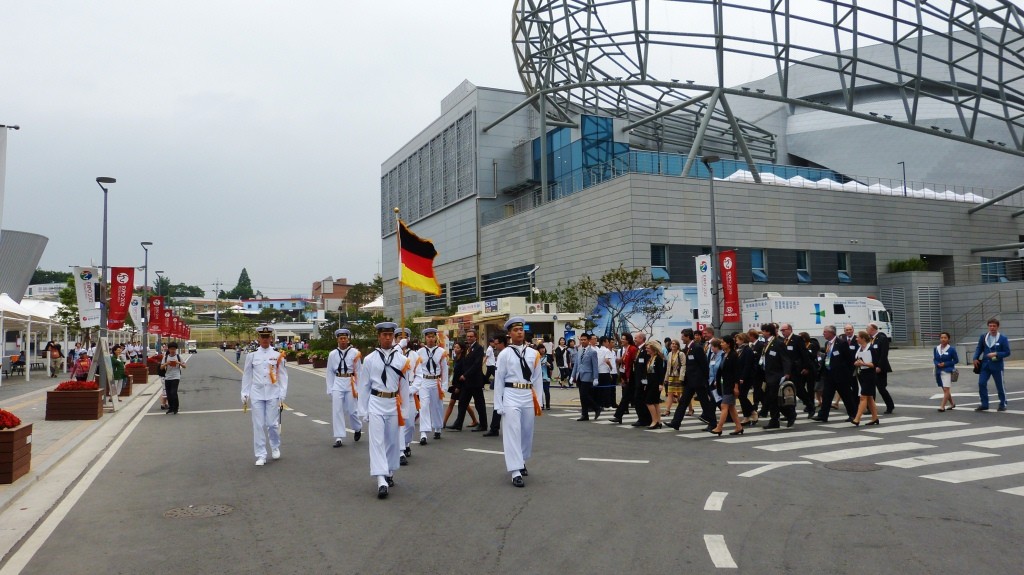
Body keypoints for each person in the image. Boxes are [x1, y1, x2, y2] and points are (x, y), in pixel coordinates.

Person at [357, 322, 411, 498]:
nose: (388, 338)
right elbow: (364, 386)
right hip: (376, 402)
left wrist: (404, 410)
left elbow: (404, 387)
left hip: (393, 403)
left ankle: (388, 471)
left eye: (390, 335)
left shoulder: (402, 359)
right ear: (379, 337)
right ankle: (381, 480)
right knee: (377, 441)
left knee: (393, 441)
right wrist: (363, 410)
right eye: (384, 335)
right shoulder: (370, 359)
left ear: (394, 337)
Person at [493, 317, 542, 488]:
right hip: (511, 394)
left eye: (521, 329)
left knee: (526, 432)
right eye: (515, 330)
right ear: (509, 334)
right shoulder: (505, 354)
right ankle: (515, 471)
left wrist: (539, 401)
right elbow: (498, 380)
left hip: (527, 394)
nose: (519, 332)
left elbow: (537, 379)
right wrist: (498, 404)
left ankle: (521, 460)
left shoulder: (533, 353)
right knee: (512, 431)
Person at [241, 325, 289, 466]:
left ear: (271, 338)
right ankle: (261, 454)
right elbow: (247, 375)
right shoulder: (252, 356)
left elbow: (283, 376)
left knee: (271, 424)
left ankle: (275, 446)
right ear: (258, 338)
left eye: (267, 337)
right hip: (257, 393)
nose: (265, 339)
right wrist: (244, 393)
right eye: (262, 337)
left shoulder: (277, 355)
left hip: (273, 393)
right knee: (258, 424)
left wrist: (282, 394)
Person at [325, 328, 363, 447]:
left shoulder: (355, 353)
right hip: (338, 381)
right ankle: (339, 437)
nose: (343, 341)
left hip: (350, 382)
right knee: (337, 410)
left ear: (348, 339)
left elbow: (359, 371)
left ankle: (357, 428)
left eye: (345, 338)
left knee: (352, 410)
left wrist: (359, 388)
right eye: (340, 338)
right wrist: (330, 388)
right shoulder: (333, 354)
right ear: (337, 339)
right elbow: (329, 372)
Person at [813, 325, 858, 422]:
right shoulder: (827, 344)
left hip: (841, 376)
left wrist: (848, 374)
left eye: (825, 332)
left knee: (847, 396)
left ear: (831, 333)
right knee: (827, 396)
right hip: (829, 374)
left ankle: (853, 415)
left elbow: (850, 360)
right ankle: (823, 415)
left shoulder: (842, 343)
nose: (823, 334)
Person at [413, 327, 448, 444]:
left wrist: (444, 385)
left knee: (437, 406)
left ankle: (437, 427)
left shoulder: (441, 352)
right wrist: (416, 385)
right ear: (425, 338)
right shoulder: (420, 352)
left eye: (432, 337)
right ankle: (423, 433)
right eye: (428, 337)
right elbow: (417, 369)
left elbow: (444, 370)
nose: (430, 339)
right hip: (424, 381)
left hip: (436, 381)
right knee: (423, 406)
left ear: (435, 338)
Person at [448, 329, 488, 432]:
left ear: (476, 337)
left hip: (475, 382)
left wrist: (465, 375)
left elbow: (477, 364)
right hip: (466, 383)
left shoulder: (478, 348)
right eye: (468, 336)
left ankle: (483, 425)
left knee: (479, 404)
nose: (469, 338)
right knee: (462, 402)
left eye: (471, 336)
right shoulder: (468, 348)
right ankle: (458, 424)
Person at [760, 323, 795, 429]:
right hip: (767, 374)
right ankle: (775, 420)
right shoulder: (766, 343)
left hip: (776, 375)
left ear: (768, 332)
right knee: (771, 399)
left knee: (776, 398)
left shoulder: (778, 343)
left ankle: (790, 415)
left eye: (763, 331)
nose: (762, 333)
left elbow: (786, 359)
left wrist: (787, 373)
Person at [973, 317, 1010, 411]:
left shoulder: (1002, 338)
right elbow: (979, 348)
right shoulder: (983, 336)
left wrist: (996, 354)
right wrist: (975, 357)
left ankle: (1003, 403)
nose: (992, 328)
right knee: (981, 383)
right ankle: (984, 404)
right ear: (988, 327)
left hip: (997, 365)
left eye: (994, 326)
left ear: (998, 327)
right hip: (985, 365)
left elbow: (1007, 352)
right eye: (990, 326)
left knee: (1000, 385)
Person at [710, 335, 743, 435]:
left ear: (728, 344)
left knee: (724, 405)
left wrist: (736, 386)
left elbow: (736, 372)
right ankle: (739, 427)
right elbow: (721, 370)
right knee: (731, 407)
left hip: (731, 384)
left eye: (723, 342)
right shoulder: (724, 354)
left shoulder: (733, 355)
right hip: (724, 383)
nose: (721, 344)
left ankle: (719, 427)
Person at [443, 342, 479, 428]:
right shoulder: (455, 358)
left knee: (458, 403)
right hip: (455, 384)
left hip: (461, 385)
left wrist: (458, 386)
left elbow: (463, 374)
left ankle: (444, 422)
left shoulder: (464, 360)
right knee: (462, 404)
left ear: (462, 350)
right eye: (454, 347)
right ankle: (474, 420)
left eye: (457, 348)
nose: (455, 349)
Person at [570, 333, 601, 421]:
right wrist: (572, 376)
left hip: (588, 375)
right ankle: (585, 414)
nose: (583, 341)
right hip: (579, 375)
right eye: (581, 340)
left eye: (584, 340)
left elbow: (595, 366)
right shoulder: (579, 351)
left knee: (585, 394)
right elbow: (576, 364)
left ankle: (596, 407)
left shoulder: (592, 352)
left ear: (589, 340)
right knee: (582, 396)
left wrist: (595, 378)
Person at [851, 331, 880, 426]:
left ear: (863, 338)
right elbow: (856, 360)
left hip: (869, 375)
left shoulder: (870, 349)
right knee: (870, 397)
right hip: (861, 374)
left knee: (863, 397)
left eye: (858, 337)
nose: (856, 339)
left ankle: (857, 418)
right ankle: (875, 417)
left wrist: (863, 364)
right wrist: (856, 363)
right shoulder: (859, 348)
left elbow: (874, 364)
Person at [867, 322, 895, 414]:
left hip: (880, 367)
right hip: (871, 366)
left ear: (873, 329)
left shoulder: (882, 338)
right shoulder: (870, 339)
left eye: (868, 329)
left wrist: (879, 366)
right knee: (871, 388)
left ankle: (890, 406)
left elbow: (884, 354)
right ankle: (871, 408)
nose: (867, 330)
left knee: (881, 388)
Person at [610, 332, 639, 423]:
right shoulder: (626, 349)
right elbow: (624, 362)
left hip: (632, 376)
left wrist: (628, 377)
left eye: (623, 339)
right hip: (626, 375)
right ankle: (618, 416)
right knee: (626, 397)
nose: (621, 340)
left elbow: (633, 363)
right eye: (621, 339)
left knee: (631, 397)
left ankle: (619, 415)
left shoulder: (633, 349)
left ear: (628, 340)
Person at [642, 340, 666, 429]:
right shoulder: (650, 359)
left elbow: (661, 372)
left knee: (649, 402)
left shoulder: (658, 359)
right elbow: (648, 372)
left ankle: (654, 420)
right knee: (655, 403)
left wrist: (661, 384)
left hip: (655, 384)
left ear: (653, 349)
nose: (646, 350)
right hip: (649, 383)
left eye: (648, 348)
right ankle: (658, 421)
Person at [934, 331, 959, 412]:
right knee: (945, 390)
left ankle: (942, 406)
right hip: (938, 371)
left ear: (948, 339)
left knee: (946, 389)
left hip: (947, 371)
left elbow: (956, 360)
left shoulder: (951, 349)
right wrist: (938, 364)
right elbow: (935, 359)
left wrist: (945, 364)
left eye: (945, 338)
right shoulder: (936, 348)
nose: (943, 339)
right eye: (941, 338)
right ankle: (952, 404)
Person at [161, 342, 187, 415]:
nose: (172, 350)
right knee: (168, 394)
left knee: (173, 392)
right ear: (168, 349)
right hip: (167, 377)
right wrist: (167, 363)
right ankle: (171, 408)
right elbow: (161, 367)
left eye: (174, 349)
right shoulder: (165, 357)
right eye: (171, 349)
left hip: (176, 376)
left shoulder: (178, 357)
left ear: (176, 349)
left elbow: (185, 366)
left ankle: (176, 407)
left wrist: (178, 363)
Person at [662, 340, 684, 417]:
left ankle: (690, 408)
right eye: (672, 344)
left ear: (678, 345)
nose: (673, 345)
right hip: (671, 376)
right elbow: (668, 367)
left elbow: (684, 365)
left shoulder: (681, 354)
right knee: (670, 394)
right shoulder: (670, 354)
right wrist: (666, 378)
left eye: (675, 344)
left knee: (681, 394)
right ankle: (667, 410)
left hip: (679, 376)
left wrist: (682, 377)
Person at [596, 336, 617, 409]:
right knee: (607, 389)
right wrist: (611, 367)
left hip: (599, 371)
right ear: (604, 342)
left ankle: (601, 404)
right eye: (607, 341)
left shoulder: (598, 350)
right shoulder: (606, 350)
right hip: (605, 371)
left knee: (600, 389)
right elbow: (607, 360)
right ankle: (607, 405)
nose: (608, 343)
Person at [537, 343, 553, 410]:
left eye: (543, 348)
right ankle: (541, 404)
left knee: (546, 391)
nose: (542, 350)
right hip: (538, 377)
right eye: (541, 348)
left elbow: (552, 367)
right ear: (538, 350)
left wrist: (549, 365)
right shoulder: (536, 357)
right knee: (540, 392)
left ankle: (548, 405)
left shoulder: (548, 357)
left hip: (546, 377)